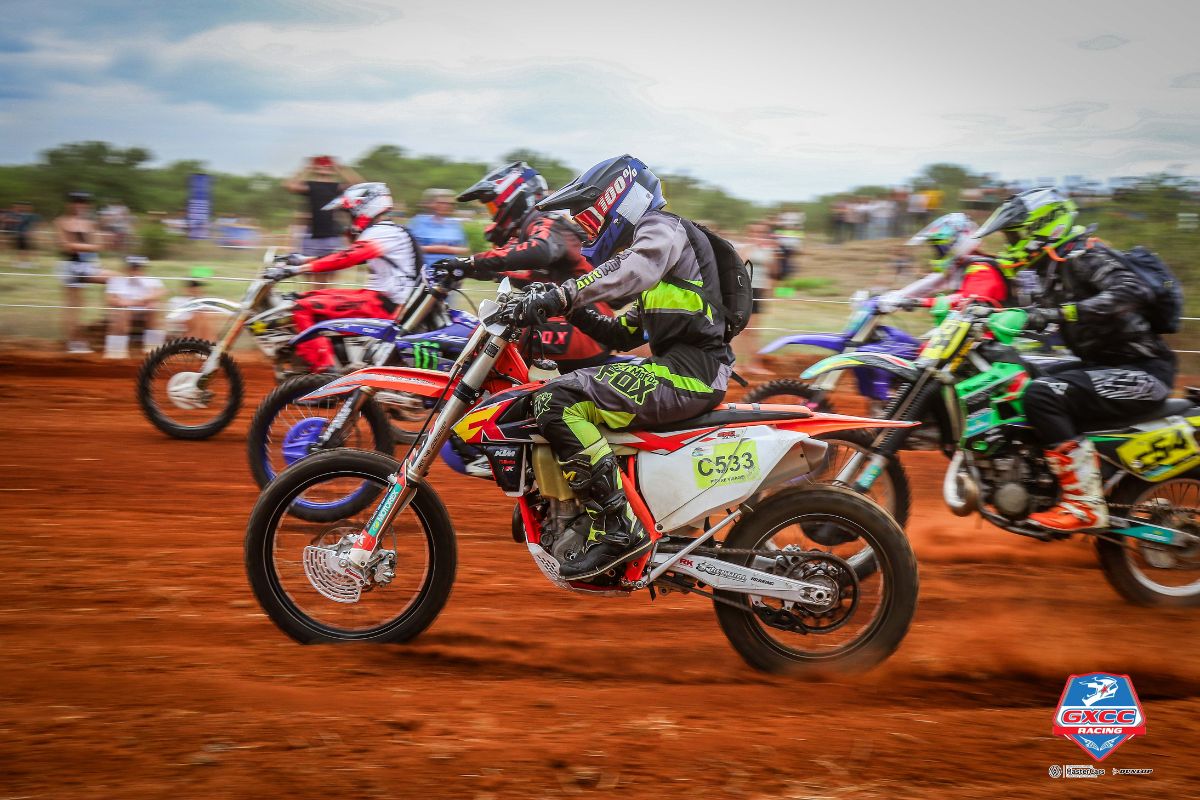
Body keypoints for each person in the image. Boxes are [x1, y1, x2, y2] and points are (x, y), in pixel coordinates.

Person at [501, 155, 736, 580]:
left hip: (692, 374)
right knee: (551, 392)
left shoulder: (663, 229)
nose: (587, 228)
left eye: (590, 216)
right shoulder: (665, 271)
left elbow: (631, 269)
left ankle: (617, 527)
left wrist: (564, 294)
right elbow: (619, 334)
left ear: (622, 200)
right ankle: (563, 501)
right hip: (678, 371)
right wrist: (560, 303)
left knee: (557, 401)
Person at [977, 188, 1176, 531]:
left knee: (1043, 394)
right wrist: (988, 316)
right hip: (1105, 367)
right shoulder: (1053, 268)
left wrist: (1058, 313)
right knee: (1024, 376)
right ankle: (1043, 482)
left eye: (1014, 236)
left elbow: (1132, 290)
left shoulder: (1086, 255)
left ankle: (1083, 503)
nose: (1010, 244)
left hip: (1143, 371)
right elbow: (1038, 315)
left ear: (1042, 227)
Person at [446, 161, 615, 372]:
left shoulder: (547, 220)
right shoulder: (538, 225)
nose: (494, 214)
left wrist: (472, 261)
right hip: (581, 321)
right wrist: (475, 270)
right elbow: (530, 275)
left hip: (588, 324)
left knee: (490, 337)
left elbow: (539, 250)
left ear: (517, 198)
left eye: (494, 206)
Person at [266, 182, 419, 372]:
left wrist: (297, 269)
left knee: (302, 307)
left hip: (385, 306)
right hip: (377, 299)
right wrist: (301, 259)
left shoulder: (383, 231)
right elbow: (347, 254)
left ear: (364, 207)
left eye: (349, 213)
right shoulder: (386, 231)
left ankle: (325, 373)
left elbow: (348, 257)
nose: (348, 220)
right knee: (301, 297)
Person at [283, 156, 363, 283]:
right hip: (312, 236)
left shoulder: (337, 187)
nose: (324, 167)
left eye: (327, 166)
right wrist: (306, 168)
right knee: (311, 276)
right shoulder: (310, 186)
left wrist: (341, 168)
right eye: (321, 165)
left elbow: (361, 186)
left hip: (332, 236)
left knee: (329, 276)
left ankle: (323, 296)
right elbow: (289, 185)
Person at [56, 192, 114, 354]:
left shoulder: (89, 223)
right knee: (74, 305)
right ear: (69, 204)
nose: (79, 205)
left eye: (82, 202)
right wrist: (92, 246)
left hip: (87, 265)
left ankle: (107, 321)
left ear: (87, 205)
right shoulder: (62, 221)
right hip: (71, 265)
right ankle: (73, 342)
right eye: (76, 202)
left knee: (116, 278)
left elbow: (100, 244)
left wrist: (85, 245)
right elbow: (66, 247)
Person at [104, 255, 165, 358]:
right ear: (126, 268)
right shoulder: (116, 280)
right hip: (125, 308)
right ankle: (116, 351)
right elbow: (111, 299)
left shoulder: (152, 280)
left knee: (155, 307)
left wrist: (143, 300)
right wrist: (135, 302)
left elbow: (160, 292)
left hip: (143, 308)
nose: (136, 270)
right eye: (133, 267)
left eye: (138, 267)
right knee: (121, 312)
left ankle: (153, 348)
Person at [739, 221, 778, 377]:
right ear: (749, 233)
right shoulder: (745, 248)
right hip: (746, 290)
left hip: (759, 292)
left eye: (761, 232)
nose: (758, 235)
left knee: (754, 331)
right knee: (743, 330)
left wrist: (770, 290)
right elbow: (739, 266)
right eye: (755, 232)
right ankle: (740, 365)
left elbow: (773, 272)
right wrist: (750, 247)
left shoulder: (768, 250)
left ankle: (753, 365)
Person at [407, 188, 469, 269]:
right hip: (423, 269)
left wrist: (445, 249)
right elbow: (408, 246)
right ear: (431, 204)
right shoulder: (418, 222)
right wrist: (437, 249)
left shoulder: (455, 224)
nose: (446, 206)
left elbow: (464, 249)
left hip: (449, 270)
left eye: (450, 204)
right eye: (441, 203)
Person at [8, 202, 39, 269]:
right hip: (21, 234)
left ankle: (26, 263)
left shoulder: (30, 215)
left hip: (26, 234)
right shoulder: (22, 215)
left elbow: (34, 224)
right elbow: (19, 224)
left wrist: (32, 231)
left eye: (28, 207)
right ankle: (23, 262)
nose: (26, 208)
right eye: (26, 207)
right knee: (22, 249)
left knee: (26, 249)